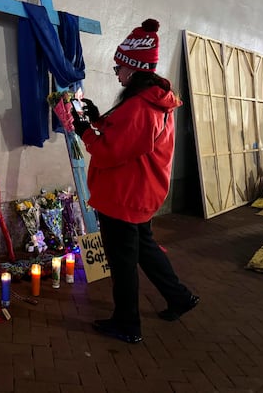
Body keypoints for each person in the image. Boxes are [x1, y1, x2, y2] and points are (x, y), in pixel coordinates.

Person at [72, 18, 199, 344]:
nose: (117, 73)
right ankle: (180, 297)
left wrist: (84, 130)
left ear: (134, 69)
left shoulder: (142, 106)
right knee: (146, 249)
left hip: (124, 197)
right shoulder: (150, 99)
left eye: (119, 68)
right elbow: (128, 137)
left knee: (123, 262)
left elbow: (112, 152)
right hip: (138, 193)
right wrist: (98, 117)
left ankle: (127, 324)